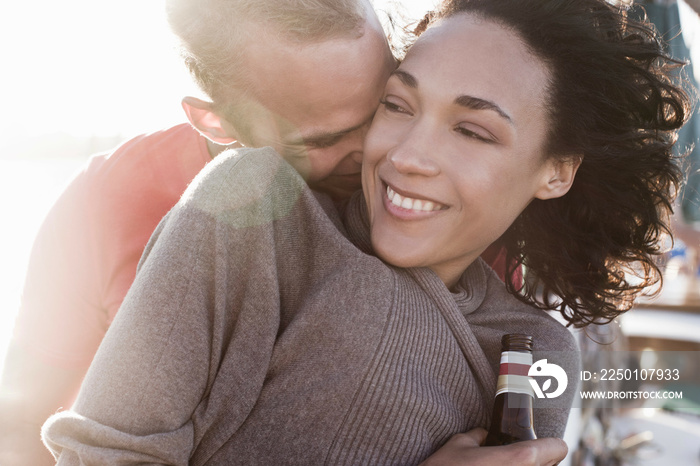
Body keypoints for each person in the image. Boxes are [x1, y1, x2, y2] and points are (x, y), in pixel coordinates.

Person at [41, 0, 691, 464]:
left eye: (471, 130)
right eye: (398, 105)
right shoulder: (247, 217)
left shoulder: (536, 353)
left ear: (555, 171)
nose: (401, 155)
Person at [0, 0, 397, 464]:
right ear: (217, 122)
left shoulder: (430, 192)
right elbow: (21, 422)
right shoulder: (108, 203)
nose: (377, 150)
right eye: (324, 140)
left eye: (390, 107)